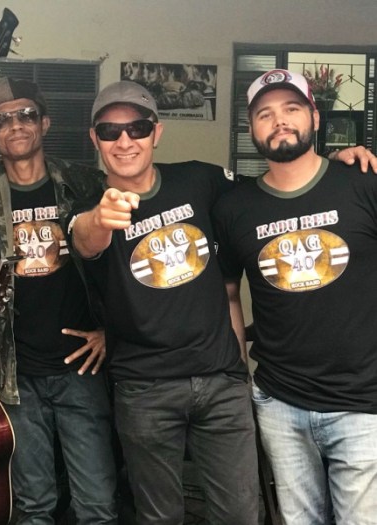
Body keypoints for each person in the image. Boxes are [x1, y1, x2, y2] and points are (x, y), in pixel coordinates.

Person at [69, 80, 260, 525]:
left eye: (137, 128)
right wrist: (102, 218)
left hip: (221, 381)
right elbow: (84, 237)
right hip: (145, 389)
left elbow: (270, 192)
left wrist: (334, 166)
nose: (124, 141)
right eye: (110, 131)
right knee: (160, 517)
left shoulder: (200, 179)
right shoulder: (88, 207)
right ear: (95, 139)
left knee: (240, 515)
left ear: (156, 132)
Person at [0, 77, 118, 523]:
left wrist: (112, 331)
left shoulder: (85, 184)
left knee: (98, 505)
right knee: (33, 505)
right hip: (15, 376)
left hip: (82, 370)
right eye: (1, 120)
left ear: (44, 122)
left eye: (26, 114)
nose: (16, 125)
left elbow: (122, 267)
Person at [212, 69, 377, 525]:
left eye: (291, 108)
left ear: (315, 117)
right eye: (264, 114)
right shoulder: (235, 207)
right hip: (279, 401)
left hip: (363, 403)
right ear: (251, 128)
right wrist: (239, 375)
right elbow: (229, 292)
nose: (279, 120)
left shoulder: (363, 183)